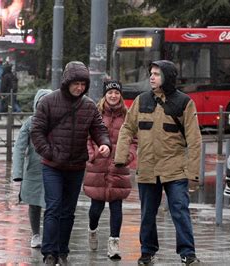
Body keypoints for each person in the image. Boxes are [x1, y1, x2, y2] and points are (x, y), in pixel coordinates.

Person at [114, 60, 202, 265]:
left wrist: (193, 174)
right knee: (147, 214)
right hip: (147, 168)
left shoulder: (184, 102)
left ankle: (188, 254)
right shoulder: (141, 100)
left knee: (179, 211)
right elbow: (127, 129)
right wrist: (120, 157)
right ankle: (147, 252)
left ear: (168, 77)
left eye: (157, 74)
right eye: (151, 73)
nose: (152, 77)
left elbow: (195, 139)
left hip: (175, 169)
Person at [31, 61, 111, 265]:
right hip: (53, 166)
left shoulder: (89, 105)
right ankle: (49, 253)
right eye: (76, 84)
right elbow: (37, 131)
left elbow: (99, 129)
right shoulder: (49, 102)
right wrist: (49, 152)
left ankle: (63, 252)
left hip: (76, 166)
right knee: (54, 207)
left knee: (68, 211)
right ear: (67, 82)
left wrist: (104, 143)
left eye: (83, 84)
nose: (80, 88)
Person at [83, 80, 137, 260]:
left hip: (118, 166)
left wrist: (128, 156)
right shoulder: (96, 113)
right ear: (105, 95)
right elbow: (87, 137)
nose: (113, 96)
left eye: (116, 92)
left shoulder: (128, 115)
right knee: (95, 208)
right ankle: (92, 230)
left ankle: (114, 243)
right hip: (98, 166)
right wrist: (92, 155)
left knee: (117, 206)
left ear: (120, 95)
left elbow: (134, 140)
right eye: (110, 93)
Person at [12, 89, 52, 249]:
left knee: (52, 204)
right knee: (34, 203)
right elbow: (19, 147)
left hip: (54, 168)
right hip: (33, 170)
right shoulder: (30, 122)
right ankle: (35, 234)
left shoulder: (58, 121)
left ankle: (50, 234)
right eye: (40, 103)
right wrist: (17, 173)